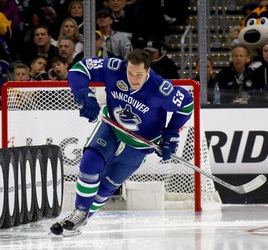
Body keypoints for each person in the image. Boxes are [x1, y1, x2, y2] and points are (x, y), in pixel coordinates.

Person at [49, 48, 194, 236]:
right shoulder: (114, 69)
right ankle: (79, 212)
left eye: (139, 75)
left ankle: (79, 220)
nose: (133, 79)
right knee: (90, 162)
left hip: (140, 143)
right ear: (126, 67)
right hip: (112, 127)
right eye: (130, 73)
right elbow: (79, 69)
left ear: (148, 72)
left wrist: (171, 132)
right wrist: (84, 93)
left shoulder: (160, 89)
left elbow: (187, 103)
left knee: (107, 185)